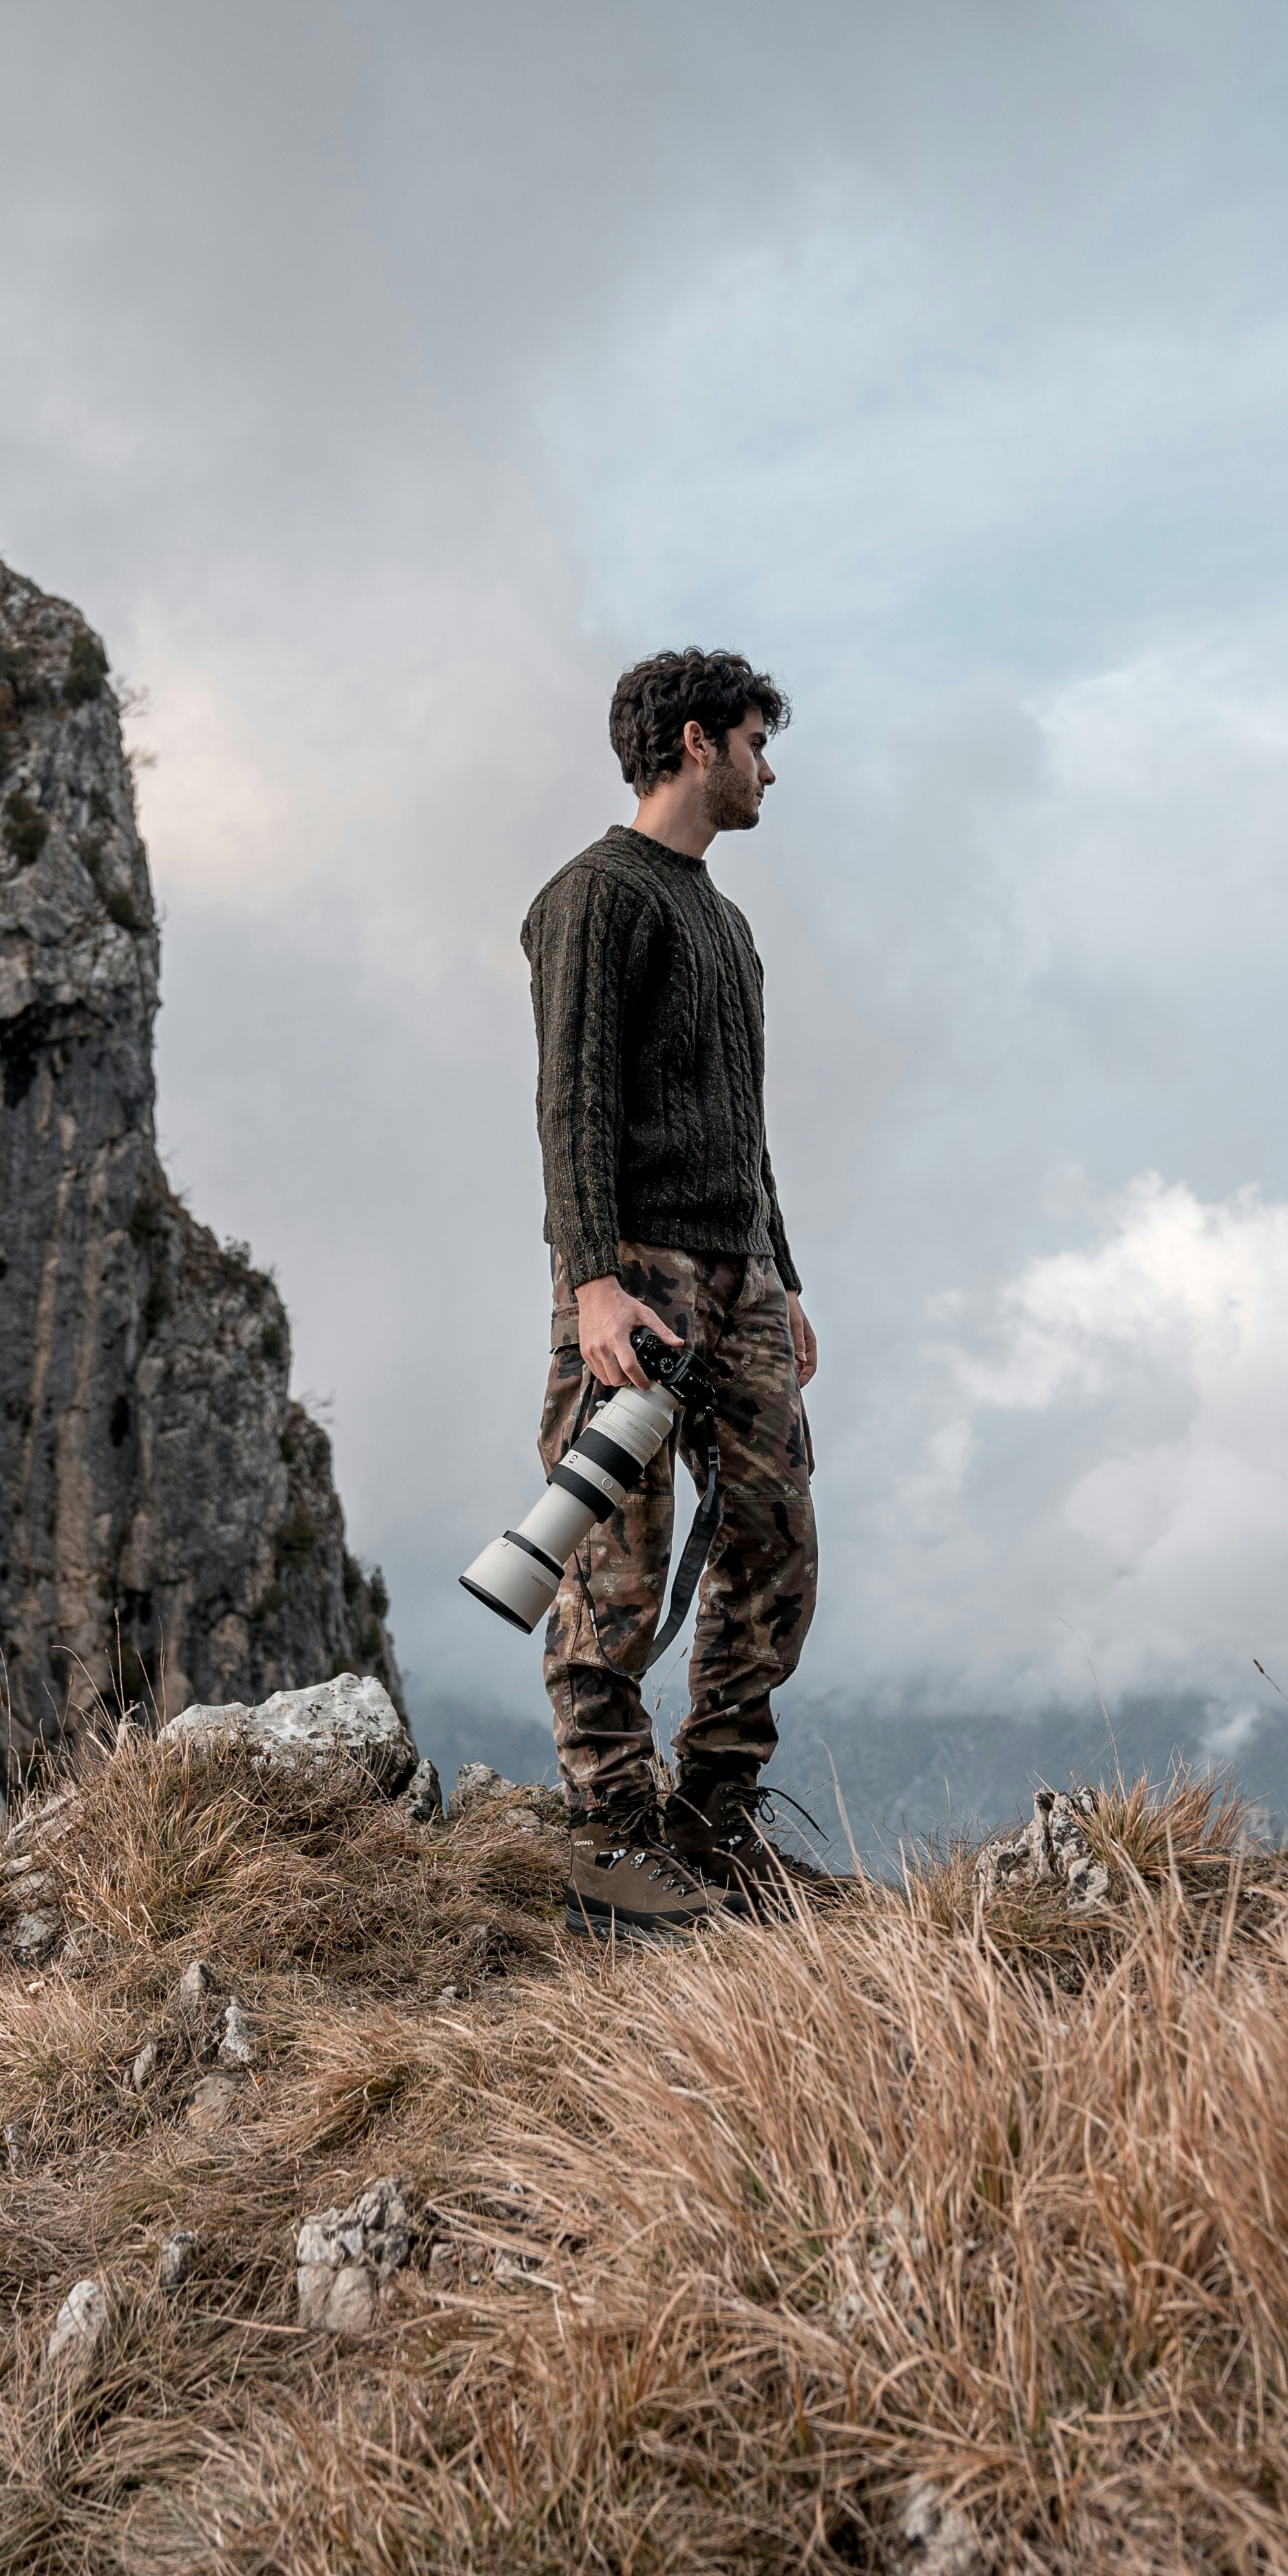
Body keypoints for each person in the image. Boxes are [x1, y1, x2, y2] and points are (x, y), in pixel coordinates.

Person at [520, 648, 841, 1934]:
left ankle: (716, 1823)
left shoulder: (725, 919)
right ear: (700, 741)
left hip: (740, 1270)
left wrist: (784, 1276)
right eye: (761, 743)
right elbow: (571, 1103)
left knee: (773, 1539)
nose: (773, 768)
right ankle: (610, 1839)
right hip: (634, 1270)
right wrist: (593, 1285)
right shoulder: (595, 896)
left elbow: (743, 1124)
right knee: (616, 1556)